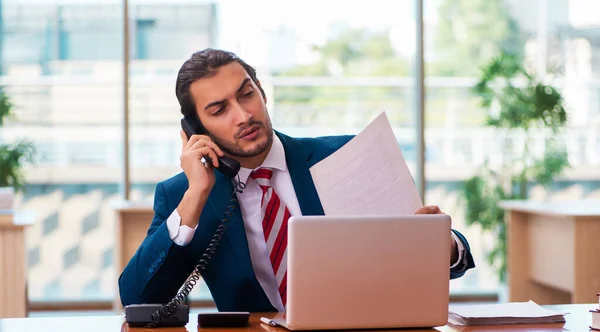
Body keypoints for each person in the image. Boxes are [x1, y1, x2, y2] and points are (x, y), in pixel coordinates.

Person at [118, 48, 475, 312]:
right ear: (195, 129)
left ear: (262, 91)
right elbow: (137, 298)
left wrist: (443, 246)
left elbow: (439, 244)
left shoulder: (345, 155)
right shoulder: (183, 195)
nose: (244, 115)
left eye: (246, 94)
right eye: (219, 109)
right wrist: (196, 194)